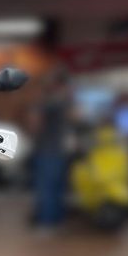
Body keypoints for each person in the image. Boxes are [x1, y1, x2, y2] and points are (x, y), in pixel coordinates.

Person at [31, 69, 73, 231]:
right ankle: (57, 220)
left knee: (47, 188)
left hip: (47, 150)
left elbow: (36, 124)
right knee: (58, 188)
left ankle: (47, 224)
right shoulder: (66, 101)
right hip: (60, 150)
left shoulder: (49, 103)